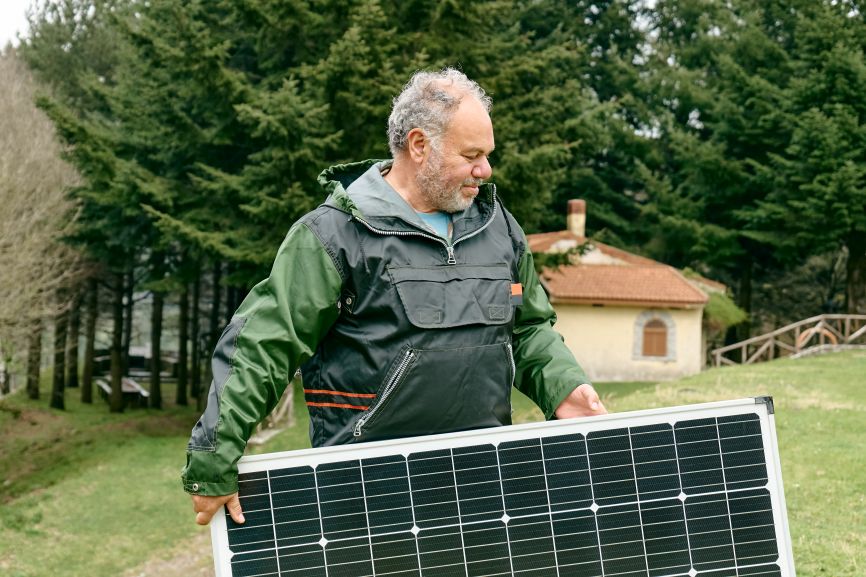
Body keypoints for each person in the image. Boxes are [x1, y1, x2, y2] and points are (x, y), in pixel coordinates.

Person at [184, 68, 607, 526]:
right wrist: (213, 460)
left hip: (482, 489)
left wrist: (564, 386)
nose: (485, 170)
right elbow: (262, 347)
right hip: (364, 498)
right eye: (472, 155)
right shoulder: (333, 235)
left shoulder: (497, 226)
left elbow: (526, 327)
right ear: (419, 146)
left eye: (487, 155)